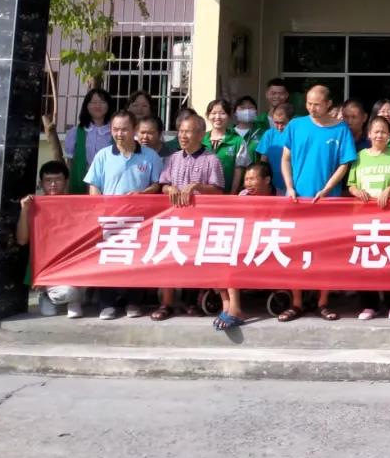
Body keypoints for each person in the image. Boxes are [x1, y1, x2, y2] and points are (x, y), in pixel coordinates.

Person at [280, 85, 357, 321]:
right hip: (297, 201)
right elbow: (285, 158)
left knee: (326, 254)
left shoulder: (341, 129)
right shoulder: (296, 125)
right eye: (309, 103)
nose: (312, 108)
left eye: (317, 104)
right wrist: (289, 186)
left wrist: (327, 189)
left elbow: (345, 164)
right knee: (295, 253)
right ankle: (296, 302)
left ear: (328, 104)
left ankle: (323, 302)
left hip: (328, 202)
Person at [85, 109, 163, 319]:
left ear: (135, 129)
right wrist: (98, 209)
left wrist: (142, 194)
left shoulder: (150, 156)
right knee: (108, 260)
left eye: (124, 129)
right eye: (115, 129)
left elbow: (157, 185)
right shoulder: (103, 155)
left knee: (136, 260)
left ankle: (134, 302)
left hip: (140, 221)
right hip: (109, 220)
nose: (119, 134)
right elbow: (94, 185)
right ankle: (107, 303)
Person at [154, 113, 225, 321]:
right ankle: (166, 303)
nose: (183, 136)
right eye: (181, 131)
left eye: (188, 132)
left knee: (195, 260)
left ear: (201, 134)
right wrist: (170, 188)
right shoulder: (173, 158)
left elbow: (219, 190)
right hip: (175, 219)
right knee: (169, 258)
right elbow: (163, 185)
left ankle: (192, 302)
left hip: (200, 221)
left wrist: (198, 187)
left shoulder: (211, 159)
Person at [348, 115, 390, 321]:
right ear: (369, 134)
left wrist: (389, 189)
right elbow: (351, 184)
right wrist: (357, 192)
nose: (379, 135)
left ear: (389, 135)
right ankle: (369, 305)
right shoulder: (360, 156)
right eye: (376, 131)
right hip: (365, 219)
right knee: (366, 261)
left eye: (384, 131)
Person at [212, 161, 277, 331]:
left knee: (234, 257)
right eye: (246, 179)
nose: (248, 183)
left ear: (267, 180)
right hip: (245, 241)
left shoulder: (280, 196)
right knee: (219, 252)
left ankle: (236, 309)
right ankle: (227, 305)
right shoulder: (243, 195)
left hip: (269, 244)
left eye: (252, 179)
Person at [18, 161, 82, 318]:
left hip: (74, 265)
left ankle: (74, 299)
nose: (53, 184)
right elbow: (22, 240)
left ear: (66, 181)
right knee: (66, 293)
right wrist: (24, 211)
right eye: (48, 180)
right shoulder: (33, 206)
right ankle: (48, 294)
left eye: (58, 179)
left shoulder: (78, 205)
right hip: (49, 269)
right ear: (41, 183)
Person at [64, 88, 116, 195]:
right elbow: (70, 163)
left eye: (102, 102)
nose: (98, 106)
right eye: (93, 102)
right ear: (86, 106)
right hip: (81, 180)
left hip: (109, 181)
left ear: (109, 105)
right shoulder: (76, 132)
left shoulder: (115, 131)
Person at [204, 99, 244, 195]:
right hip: (203, 194)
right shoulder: (200, 139)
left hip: (227, 194)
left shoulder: (238, 141)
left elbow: (238, 170)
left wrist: (232, 193)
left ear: (229, 116)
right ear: (208, 116)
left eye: (222, 113)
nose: (217, 117)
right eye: (213, 113)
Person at [255, 102, 294, 195]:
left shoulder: (296, 134)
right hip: (273, 185)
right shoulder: (269, 134)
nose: (279, 127)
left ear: (291, 120)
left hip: (292, 184)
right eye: (276, 122)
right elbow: (263, 161)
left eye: (283, 123)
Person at [232, 94, 266, 175]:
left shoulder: (262, 133)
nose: (247, 111)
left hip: (255, 178)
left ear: (256, 112)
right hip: (231, 178)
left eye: (250, 108)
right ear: (235, 112)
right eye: (242, 108)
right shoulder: (229, 134)